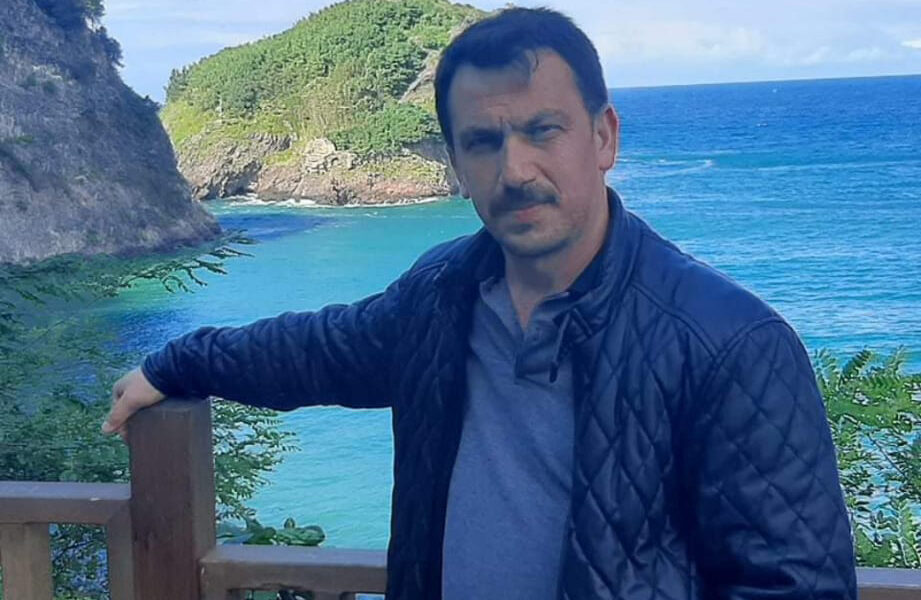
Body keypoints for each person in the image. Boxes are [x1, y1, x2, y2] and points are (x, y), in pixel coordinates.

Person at [103, 7, 857, 600]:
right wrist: (174, 365)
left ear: (603, 137)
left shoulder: (729, 341)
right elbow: (312, 350)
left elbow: (792, 586)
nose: (515, 168)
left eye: (541, 130)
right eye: (484, 142)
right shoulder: (441, 296)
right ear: (457, 166)